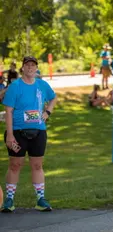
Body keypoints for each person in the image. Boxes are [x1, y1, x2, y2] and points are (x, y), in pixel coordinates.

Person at [1, 56, 57, 213]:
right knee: (15, 165)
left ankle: (40, 199)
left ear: (36, 68)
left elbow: (53, 98)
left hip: (39, 131)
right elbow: (9, 111)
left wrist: (48, 112)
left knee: (37, 165)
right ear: (23, 68)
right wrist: (10, 135)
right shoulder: (15, 86)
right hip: (18, 131)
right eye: (28, 65)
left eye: (33, 66)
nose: (31, 68)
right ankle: (9, 200)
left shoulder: (42, 85)